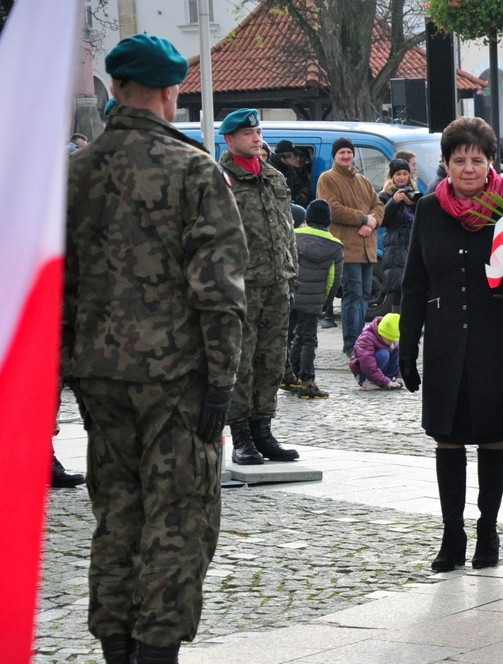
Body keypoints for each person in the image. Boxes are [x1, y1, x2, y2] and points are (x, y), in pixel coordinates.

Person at [64, 34, 248, 663]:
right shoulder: (194, 170)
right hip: (177, 380)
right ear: (171, 92)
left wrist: (66, 371)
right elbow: (220, 292)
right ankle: (156, 654)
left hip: (98, 378)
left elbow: (51, 281)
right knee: (179, 522)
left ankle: (116, 649)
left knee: (117, 517)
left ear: (116, 88)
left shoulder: (75, 174)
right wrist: (223, 385)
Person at [399, 116, 503, 572]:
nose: (468, 168)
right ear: (446, 163)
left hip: (500, 340)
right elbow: (415, 280)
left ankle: (488, 530)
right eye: (459, 160)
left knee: (493, 438)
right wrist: (407, 344)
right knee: (449, 439)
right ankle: (451, 534)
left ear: (491, 162)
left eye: (477, 159)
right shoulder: (428, 210)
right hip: (445, 344)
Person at [217, 109, 300, 466]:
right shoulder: (219, 180)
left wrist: (290, 271)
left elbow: (284, 229)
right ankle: (241, 435)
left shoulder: (273, 177)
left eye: (258, 131)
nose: (256, 137)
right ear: (230, 139)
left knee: (272, 360)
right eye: (248, 132)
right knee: (242, 360)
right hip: (241, 286)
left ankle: (263, 429)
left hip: (277, 283)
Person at [317, 137, 384, 356]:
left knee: (364, 295)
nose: (346, 156)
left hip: (367, 248)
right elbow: (333, 208)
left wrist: (372, 221)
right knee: (353, 296)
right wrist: (364, 219)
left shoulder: (363, 180)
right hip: (347, 248)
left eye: (349, 152)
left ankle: (361, 342)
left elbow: (379, 204)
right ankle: (352, 344)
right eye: (341, 153)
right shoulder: (327, 179)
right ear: (335, 156)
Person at [289, 199, 341, 399]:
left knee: (292, 337)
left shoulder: (294, 236)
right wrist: (325, 303)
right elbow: (334, 280)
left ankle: (291, 376)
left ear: (308, 219)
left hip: (293, 295)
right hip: (314, 300)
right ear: (328, 221)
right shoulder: (335, 246)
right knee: (309, 339)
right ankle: (307, 381)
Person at [379, 158, 419, 313]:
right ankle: (397, 326)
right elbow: (381, 220)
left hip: (411, 246)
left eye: (405, 174)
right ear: (392, 177)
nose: (402, 177)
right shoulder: (384, 195)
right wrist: (394, 202)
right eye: (398, 174)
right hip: (395, 249)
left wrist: (413, 203)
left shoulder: (414, 193)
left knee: (413, 288)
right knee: (397, 290)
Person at [349, 313, 403, 391]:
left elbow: (400, 360)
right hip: (364, 372)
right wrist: (385, 382)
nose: (392, 341)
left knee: (397, 351)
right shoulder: (367, 338)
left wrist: (400, 377)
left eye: (394, 339)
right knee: (383, 354)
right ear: (381, 332)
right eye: (389, 339)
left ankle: (388, 379)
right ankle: (369, 382)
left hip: (380, 371)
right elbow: (368, 365)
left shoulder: (394, 340)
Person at [271, 140, 310, 206]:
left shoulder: (290, 169)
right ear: (283, 158)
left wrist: (303, 195)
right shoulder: (270, 170)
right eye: (294, 156)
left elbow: (299, 186)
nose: (296, 159)